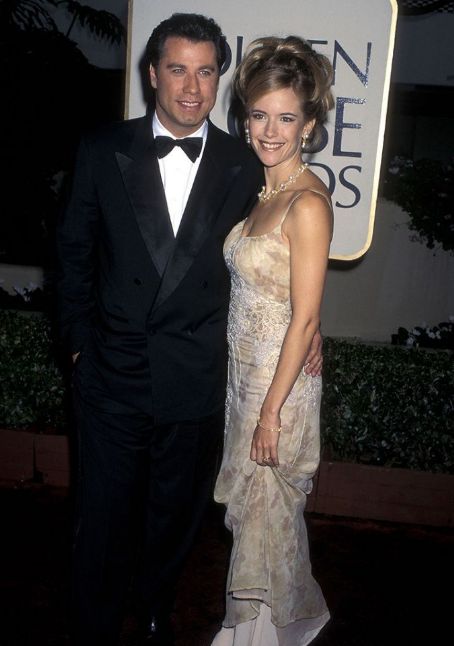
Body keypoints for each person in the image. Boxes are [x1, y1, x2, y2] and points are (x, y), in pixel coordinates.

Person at [57, 13, 323, 646]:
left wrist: (313, 325)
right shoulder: (101, 150)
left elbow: (284, 257)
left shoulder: (246, 162)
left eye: (206, 71)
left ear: (220, 79)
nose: (192, 87)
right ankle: (91, 623)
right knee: (100, 520)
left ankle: (156, 610)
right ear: (153, 75)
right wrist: (75, 351)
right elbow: (70, 258)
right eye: (177, 69)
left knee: (175, 519)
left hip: (196, 378)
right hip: (111, 377)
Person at [211, 36, 334, 646]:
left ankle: (264, 636)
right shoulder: (262, 196)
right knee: (250, 522)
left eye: (286, 117)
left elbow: (304, 318)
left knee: (268, 520)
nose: (270, 129)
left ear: (308, 125)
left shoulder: (307, 203)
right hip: (245, 383)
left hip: (275, 395)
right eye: (260, 114)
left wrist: (269, 412)